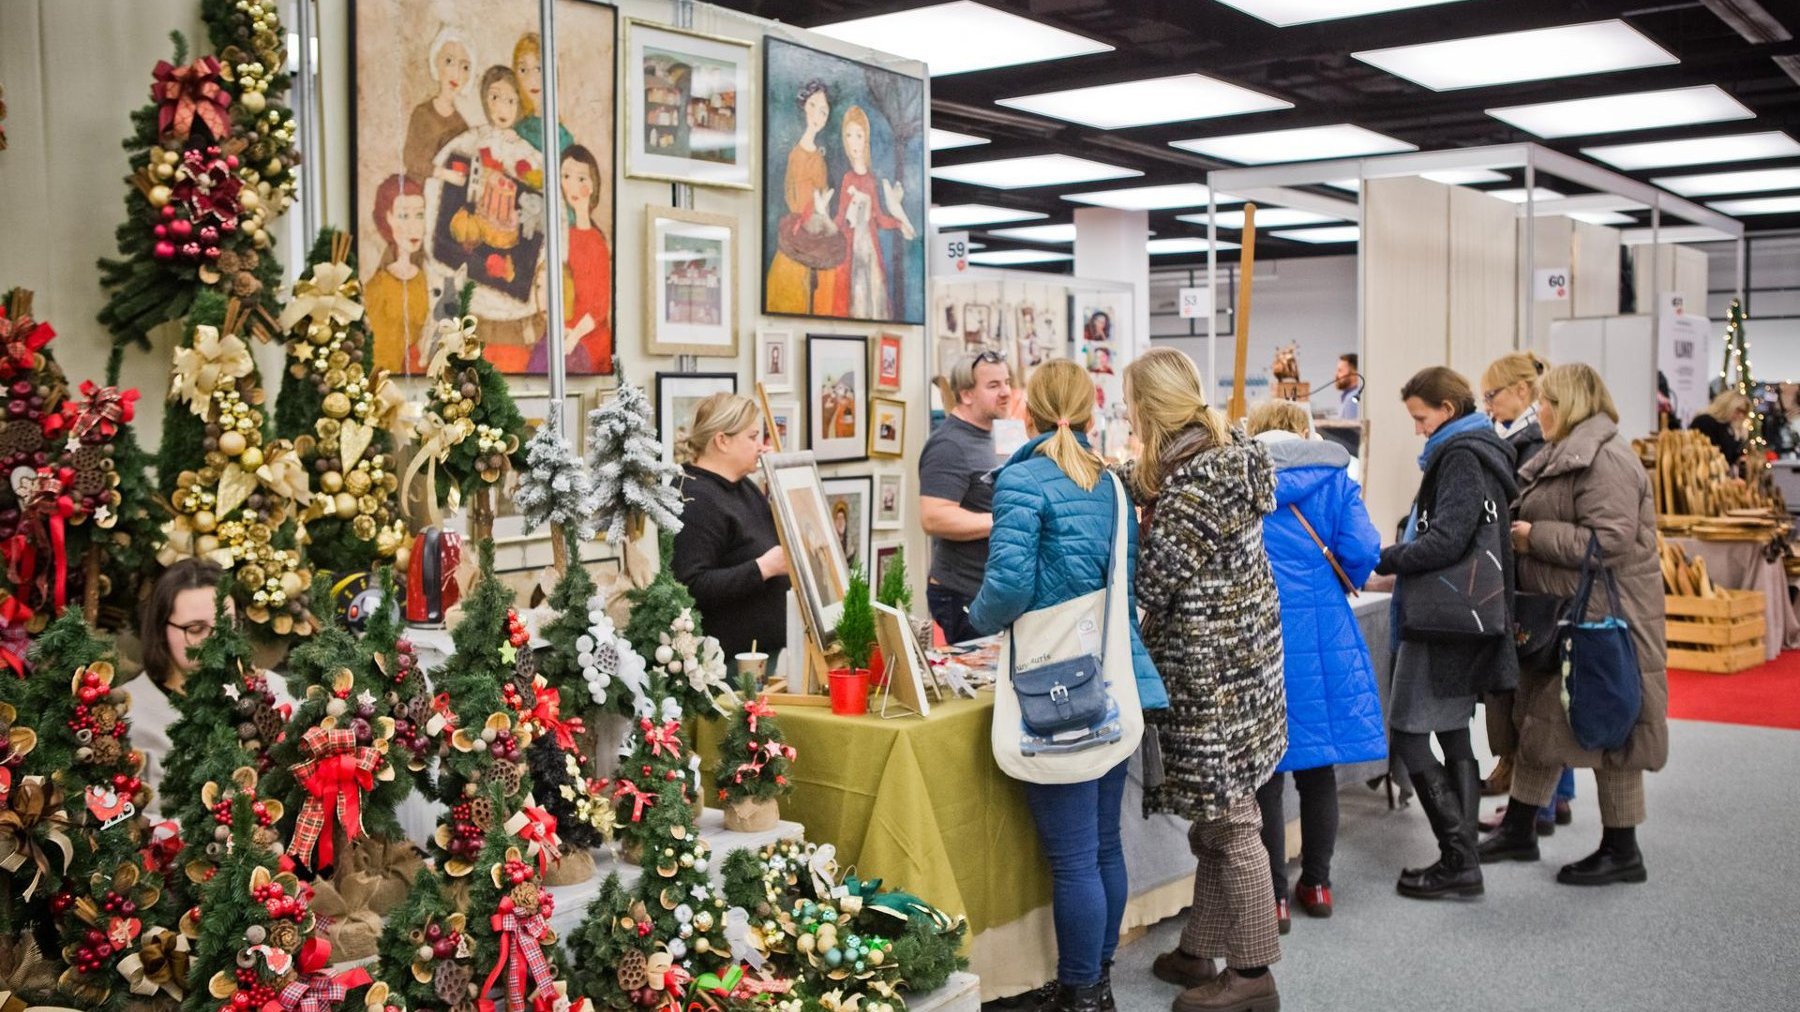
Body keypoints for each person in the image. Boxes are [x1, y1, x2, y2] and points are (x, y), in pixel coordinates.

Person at [968, 360, 1168, 1012]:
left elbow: (1007, 587)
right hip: (1111, 682)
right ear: (1089, 411)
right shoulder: (1112, 485)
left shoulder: (1023, 479)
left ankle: (1080, 991)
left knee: (1075, 858)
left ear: (1030, 410)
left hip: (1051, 689)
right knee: (1104, 844)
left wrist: (975, 625)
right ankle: (1098, 979)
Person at [1125, 348, 1285, 1012]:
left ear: (1149, 407)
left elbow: (1151, 584)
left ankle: (1252, 975)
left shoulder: (1196, 485)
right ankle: (1200, 947)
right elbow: (1147, 481)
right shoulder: (1219, 458)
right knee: (1220, 819)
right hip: (1243, 669)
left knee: (1229, 821)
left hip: (1211, 676)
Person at [1479, 364, 1668, 886]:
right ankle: (1520, 828)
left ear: (1569, 406)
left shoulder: (1605, 459)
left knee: (1613, 728)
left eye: (1545, 403)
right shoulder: (1570, 452)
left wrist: (1533, 536)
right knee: (1543, 720)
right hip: (1569, 612)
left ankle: (1622, 849)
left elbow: (1607, 540)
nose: (1537, 410)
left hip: (1608, 618)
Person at [1374, 366, 1518, 901]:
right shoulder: (1481, 450)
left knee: (1410, 732)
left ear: (1447, 411)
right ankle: (1465, 857)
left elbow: (1448, 540)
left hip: (1441, 619)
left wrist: (1387, 559)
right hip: (1464, 618)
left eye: (1420, 417)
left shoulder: (1458, 456)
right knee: (1454, 731)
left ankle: (1458, 858)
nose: (1416, 429)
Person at [1246, 401, 1383, 931]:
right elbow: (1362, 548)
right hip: (1323, 626)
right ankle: (1318, 882)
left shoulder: (1242, 477)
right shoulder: (1334, 476)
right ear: (1305, 431)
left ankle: (1273, 896)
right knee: (1317, 766)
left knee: (1268, 772)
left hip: (1258, 629)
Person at [1477, 351, 1573, 831]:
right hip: (1530, 575)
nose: (1488, 404)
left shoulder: (1532, 443)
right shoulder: (1521, 438)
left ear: (1522, 391)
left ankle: (1543, 799)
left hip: (1535, 577)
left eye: (1492, 394)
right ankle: (1544, 797)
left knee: (1543, 689)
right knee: (1542, 689)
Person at [670, 394, 790, 668]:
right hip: (730, 667)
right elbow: (690, 585)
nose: (760, 446)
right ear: (722, 441)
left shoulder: (743, 486)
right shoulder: (694, 499)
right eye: (752, 437)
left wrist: (783, 480)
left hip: (767, 653)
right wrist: (762, 568)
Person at [918, 351, 1012, 644]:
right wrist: (1002, 522)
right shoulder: (949, 444)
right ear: (967, 394)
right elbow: (933, 516)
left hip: (989, 590)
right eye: (994, 385)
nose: (1006, 392)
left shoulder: (993, 433)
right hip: (960, 592)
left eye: (1007, 382)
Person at [132, 558, 228, 818]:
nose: (215, 639)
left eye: (227, 624)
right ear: (161, 629)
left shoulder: (271, 692)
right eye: (196, 629)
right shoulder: (128, 712)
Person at [765, 79, 841, 315]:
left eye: (824, 111)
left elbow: (822, 195)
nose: (818, 115)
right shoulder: (796, 155)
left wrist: (822, 210)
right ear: (804, 107)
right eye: (813, 106)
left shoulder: (819, 157)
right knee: (791, 288)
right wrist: (814, 208)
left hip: (817, 227)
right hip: (800, 230)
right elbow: (795, 198)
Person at [365, 173, 431, 374]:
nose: (414, 226)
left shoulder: (423, 279)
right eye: (404, 215)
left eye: (419, 215)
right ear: (388, 218)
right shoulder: (378, 286)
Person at [403, 27, 472, 183]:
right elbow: (410, 159)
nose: (456, 74)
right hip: (414, 194)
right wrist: (443, 173)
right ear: (436, 63)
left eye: (465, 67)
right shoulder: (422, 113)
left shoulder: (462, 125)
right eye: (449, 61)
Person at [1690, 390, 1751, 467]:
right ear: (1727, 406)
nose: (1741, 416)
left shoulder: (1730, 428)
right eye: (1738, 410)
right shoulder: (1705, 422)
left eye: (1744, 412)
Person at [1335, 354, 1363, 421]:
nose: (1336, 375)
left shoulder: (1353, 398)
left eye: (1340, 371)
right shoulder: (1348, 396)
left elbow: (1351, 430)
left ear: (1355, 373)